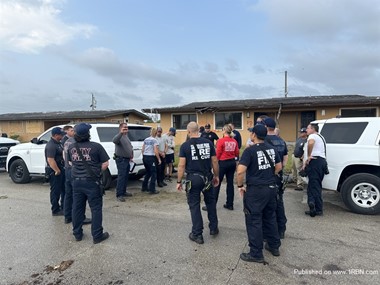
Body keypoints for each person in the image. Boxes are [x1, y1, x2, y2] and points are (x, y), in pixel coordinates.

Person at [237, 124, 282, 263]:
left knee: (254, 219)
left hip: (256, 190)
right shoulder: (272, 149)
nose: (250, 134)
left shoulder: (249, 151)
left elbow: (240, 171)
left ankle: (256, 253)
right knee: (270, 217)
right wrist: (268, 175)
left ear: (254, 135)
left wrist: (240, 185)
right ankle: (274, 246)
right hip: (271, 187)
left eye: (251, 132)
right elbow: (279, 167)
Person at [176, 121, 220, 244]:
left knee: (194, 205)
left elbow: (181, 165)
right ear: (199, 131)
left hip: (193, 178)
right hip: (207, 177)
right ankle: (214, 227)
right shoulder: (208, 143)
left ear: (188, 131)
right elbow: (215, 161)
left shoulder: (185, 146)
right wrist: (216, 176)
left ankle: (197, 234)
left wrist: (179, 181)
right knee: (210, 203)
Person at [67, 123, 110, 244]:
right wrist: (96, 171)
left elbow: (70, 163)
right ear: (88, 134)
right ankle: (97, 235)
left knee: (77, 208)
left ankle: (77, 234)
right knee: (96, 209)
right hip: (92, 182)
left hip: (76, 181)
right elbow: (105, 163)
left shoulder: (71, 147)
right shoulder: (96, 147)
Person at [263, 117, 288, 239]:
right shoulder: (281, 141)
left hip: (268, 176)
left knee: (268, 205)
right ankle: (281, 228)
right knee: (279, 202)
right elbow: (285, 158)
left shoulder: (265, 141)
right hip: (279, 175)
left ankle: (268, 233)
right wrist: (280, 169)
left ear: (266, 127)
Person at [63, 125, 91, 225]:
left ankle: (67, 216)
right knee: (79, 197)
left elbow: (65, 155)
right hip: (75, 171)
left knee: (68, 194)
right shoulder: (76, 142)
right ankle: (80, 218)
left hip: (67, 169)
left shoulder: (67, 141)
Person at [303, 123, 327, 217]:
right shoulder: (321, 137)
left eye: (308, 128)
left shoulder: (312, 136)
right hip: (321, 162)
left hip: (315, 162)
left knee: (313, 185)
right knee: (316, 184)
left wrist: (309, 156)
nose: (306, 130)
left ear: (313, 129)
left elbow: (311, 143)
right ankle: (315, 206)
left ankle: (315, 206)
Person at [215, 124, 239, 210]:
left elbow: (218, 153)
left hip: (223, 163)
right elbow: (237, 153)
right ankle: (230, 204)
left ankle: (212, 204)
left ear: (224, 131)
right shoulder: (234, 141)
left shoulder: (220, 141)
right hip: (232, 162)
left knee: (217, 183)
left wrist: (215, 164)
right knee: (230, 184)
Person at [45, 127, 66, 216]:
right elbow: (50, 160)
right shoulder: (51, 145)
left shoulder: (59, 143)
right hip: (54, 171)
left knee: (63, 189)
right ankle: (55, 209)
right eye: (61, 135)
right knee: (55, 191)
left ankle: (63, 207)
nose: (62, 136)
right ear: (55, 135)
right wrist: (57, 170)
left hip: (61, 168)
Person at [113, 123, 134, 202]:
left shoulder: (126, 136)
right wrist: (121, 133)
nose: (126, 128)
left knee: (125, 177)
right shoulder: (119, 136)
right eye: (124, 127)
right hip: (121, 160)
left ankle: (124, 191)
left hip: (127, 159)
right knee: (121, 177)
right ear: (120, 128)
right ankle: (119, 194)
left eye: (127, 127)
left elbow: (130, 147)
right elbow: (114, 141)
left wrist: (131, 155)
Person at [142, 128, 161, 194]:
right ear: (155, 133)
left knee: (148, 172)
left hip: (145, 156)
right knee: (154, 173)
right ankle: (152, 189)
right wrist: (158, 159)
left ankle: (144, 187)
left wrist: (144, 156)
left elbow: (143, 149)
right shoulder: (155, 140)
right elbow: (156, 151)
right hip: (151, 157)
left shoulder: (146, 139)